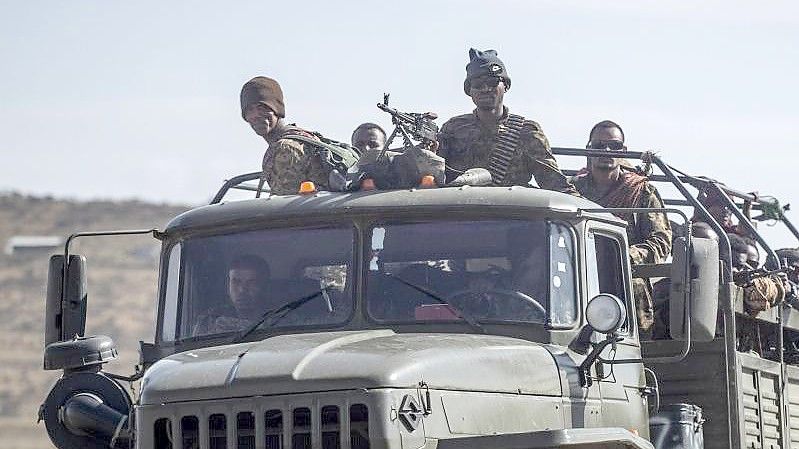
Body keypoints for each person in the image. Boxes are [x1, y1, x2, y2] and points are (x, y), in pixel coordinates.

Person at [571, 120, 672, 334]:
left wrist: (624, 255)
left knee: (634, 290)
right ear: (588, 149)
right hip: (575, 277)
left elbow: (662, 242)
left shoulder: (641, 192)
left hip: (624, 278)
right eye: (599, 146)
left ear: (623, 151)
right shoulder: (572, 192)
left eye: (614, 147)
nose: (606, 151)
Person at [437, 48, 577, 194]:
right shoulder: (453, 128)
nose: (485, 89)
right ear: (469, 90)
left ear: (506, 86)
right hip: (461, 211)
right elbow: (434, 177)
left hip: (510, 212)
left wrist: (587, 209)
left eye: (492, 82)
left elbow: (554, 183)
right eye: (478, 84)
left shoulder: (526, 131)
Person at [240, 76, 332, 195]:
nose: (256, 115)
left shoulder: (286, 148)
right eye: (249, 110)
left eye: (262, 107)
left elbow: (283, 204)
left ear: (277, 109)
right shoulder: (303, 138)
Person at [193, 255, 272, 336]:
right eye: (236, 282)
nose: (242, 290)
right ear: (228, 285)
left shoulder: (278, 320)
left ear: (264, 286)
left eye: (251, 283)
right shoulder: (209, 321)